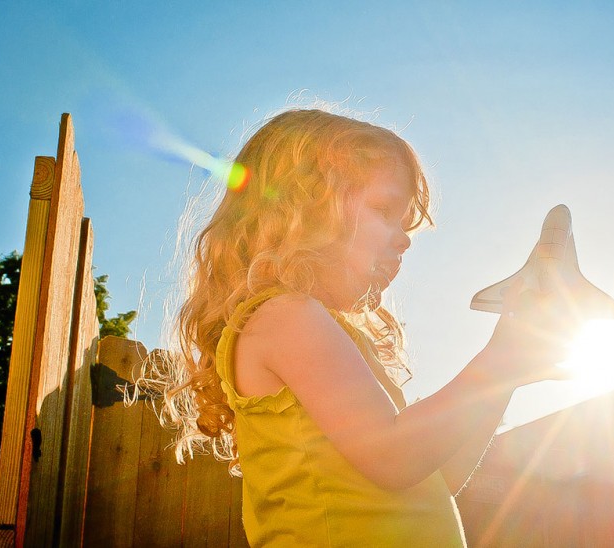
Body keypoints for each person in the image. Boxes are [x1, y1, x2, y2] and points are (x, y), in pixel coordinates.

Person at [160, 108, 574, 547]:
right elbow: (396, 458)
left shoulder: (325, 331)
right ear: (301, 208)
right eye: (383, 210)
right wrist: (498, 359)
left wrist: (504, 379)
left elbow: (437, 477)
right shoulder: (285, 316)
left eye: (405, 223)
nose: (405, 239)